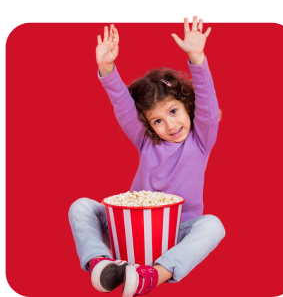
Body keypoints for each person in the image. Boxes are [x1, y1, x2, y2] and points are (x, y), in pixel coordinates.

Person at [68, 16, 225, 297]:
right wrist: (106, 67)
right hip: (129, 225)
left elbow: (208, 106)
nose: (170, 126)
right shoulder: (146, 141)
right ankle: (101, 264)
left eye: (173, 112)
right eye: (158, 121)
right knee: (81, 206)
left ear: (187, 106)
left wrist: (196, 57)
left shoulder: (201, 140)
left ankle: (154, 274)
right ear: (148, 125)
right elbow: (123, 105)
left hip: (178, 231)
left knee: (214, 225)